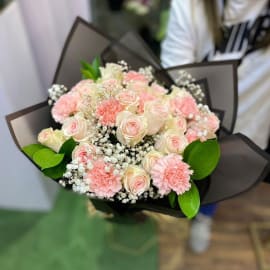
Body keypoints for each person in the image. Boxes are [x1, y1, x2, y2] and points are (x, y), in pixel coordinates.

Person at [161, 0, 270, 253]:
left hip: (251, 123)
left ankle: (204, 217)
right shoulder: (190, 6)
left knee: (222, 182)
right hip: (195, 125)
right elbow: (174, 75)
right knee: (194, 179)